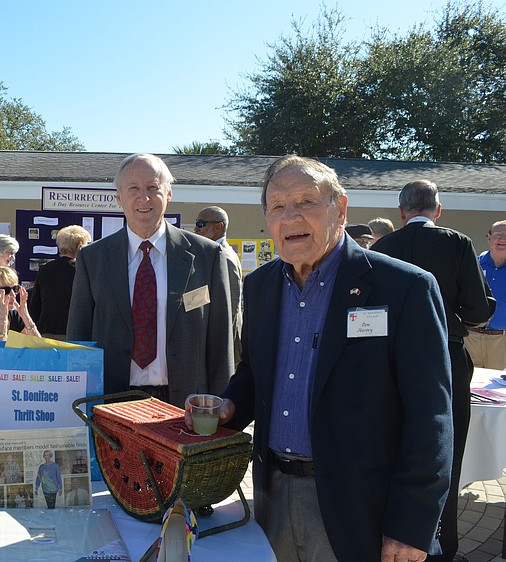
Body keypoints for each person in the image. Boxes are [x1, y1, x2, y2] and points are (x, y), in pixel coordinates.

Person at [219, 155, 453, 562]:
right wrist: (229, 404)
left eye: (306, 201)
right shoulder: (258, 287)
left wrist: (412, 523)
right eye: (277, 206)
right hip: (272, 495)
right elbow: (255, 372)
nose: (290, 217)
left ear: (340, 209)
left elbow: (430, 416)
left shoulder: (403, 288)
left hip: (360, 509)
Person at [372, 180, 494, 562]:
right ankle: (441, 543)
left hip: (387, 362)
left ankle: (386, 533)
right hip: (445, 358)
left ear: (401, 212)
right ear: (437, 210)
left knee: (389, 446)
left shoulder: (382, 248)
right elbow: (476, 311)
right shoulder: (457, 243)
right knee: (444, 452)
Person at [67, 154, 234, 407]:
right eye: (133, 188)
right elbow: (79, 340)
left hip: (187, 405)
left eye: (153, 188)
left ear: (169, 193)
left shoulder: (206, 256)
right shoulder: (93, 259)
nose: (143, 198)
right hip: (112, 403)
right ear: (119, 197)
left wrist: (219, 407)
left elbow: (221, 341)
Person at [194, 205, 243, 363]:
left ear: (218, 227)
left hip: (223, 341)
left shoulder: (224, 256)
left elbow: (232, 305)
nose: (196, 229)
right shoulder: (214, 253)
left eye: (201, 224)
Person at [28, 225, 91, 339]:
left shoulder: (45, 269)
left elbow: (36, 304)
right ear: (80, 246)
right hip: (74, 331)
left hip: (46, 330)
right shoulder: (84, 270)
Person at [466, 220, 506, 370]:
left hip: (501, 341)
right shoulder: (473, 265)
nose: (502, 239)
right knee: (471, 385)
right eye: (498, 235)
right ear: (489, 238)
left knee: (499, 390)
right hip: (472, 337)